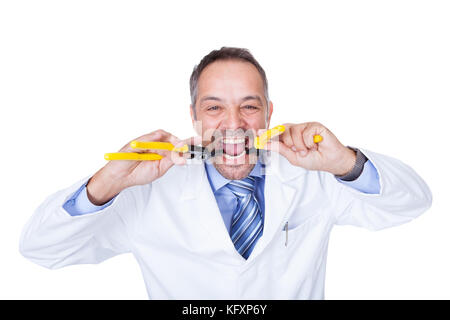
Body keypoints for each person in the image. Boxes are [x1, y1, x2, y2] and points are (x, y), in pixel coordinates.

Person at [20, 47, 432, 299]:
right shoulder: (146, 192)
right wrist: (108, 182)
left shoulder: (312, 176)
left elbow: (413, 202)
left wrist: (344, 162)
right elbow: (41, 249)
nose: (233, 123)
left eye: (249, 106)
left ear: (269, 113)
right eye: (214, 107)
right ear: (194, 116)